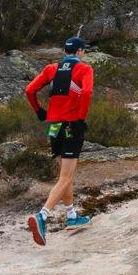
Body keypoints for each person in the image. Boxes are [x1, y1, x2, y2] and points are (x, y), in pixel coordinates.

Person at [23, 35, 94, 244]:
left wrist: (39, 111)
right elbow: (87, 91)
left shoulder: (51, 69)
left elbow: (29, 90)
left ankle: (72, 216)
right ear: (80, 52)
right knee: (66, 177)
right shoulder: (84, 69)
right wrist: (80, 117)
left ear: (66, 52)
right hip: (72, 125)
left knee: (66, 174)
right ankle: (42, 216)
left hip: (54, 126)